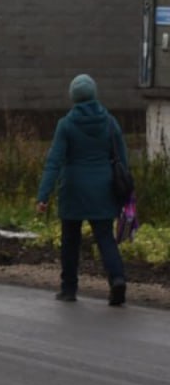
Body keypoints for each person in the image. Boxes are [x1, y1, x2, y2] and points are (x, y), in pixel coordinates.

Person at [36, 73, 128, 306]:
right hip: (104, 188)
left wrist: (43, 195)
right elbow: (122, 160)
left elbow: (54, 161)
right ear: (94, 94)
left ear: (73, 97)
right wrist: (126, 192)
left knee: (70, 240)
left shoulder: (66, 125)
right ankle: (117, 279)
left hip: (73, 188)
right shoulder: (110, 122)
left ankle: (69, 289)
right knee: (105, 238)